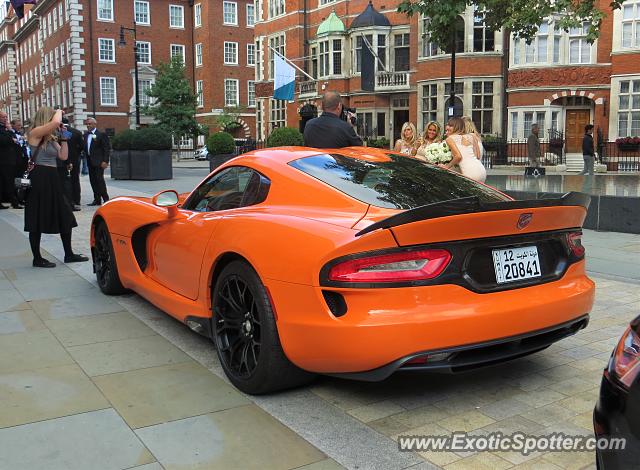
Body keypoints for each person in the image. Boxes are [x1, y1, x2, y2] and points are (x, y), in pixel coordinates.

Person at [25, 107, 88, 268]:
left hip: (53, 177)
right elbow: (56, 121)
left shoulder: (50, 138)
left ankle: (69, 254)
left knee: (65, 214)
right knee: (37, 216)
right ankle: (37, 258)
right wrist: (59, 111)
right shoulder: (35, 133)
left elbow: (63, 156)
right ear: (47, 118)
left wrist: (64, 138)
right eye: (53, 117)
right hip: (40, 177)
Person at [442, 117, 486, 183]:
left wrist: (446, 166)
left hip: (469, 172)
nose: (447, 127)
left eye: (450, 126)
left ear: (457, 127)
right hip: (481, 170)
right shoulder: (471, 136)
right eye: (447, 125)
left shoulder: (450, 139)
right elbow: (478, 156)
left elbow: (458, 157)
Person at [84, 117, 110, 205]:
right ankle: (97, 199)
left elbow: (106, 148)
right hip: (90, 162)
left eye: (89, 124)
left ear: (95, 124)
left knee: (99, 180)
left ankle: (106, 199)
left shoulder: (101, 134)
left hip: (99, 162)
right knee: (93, 181)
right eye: (87, 124)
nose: (88, 125)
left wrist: (105, 161)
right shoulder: (86, 135)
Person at [0, 112, 22, 209]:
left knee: (8, 181)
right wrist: (9, 131)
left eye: (6, 117)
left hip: (10, 159)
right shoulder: (3, 129)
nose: (6, 119)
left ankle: (14, 201)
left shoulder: (6, 128)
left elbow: (14, 139)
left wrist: (10, 134)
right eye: (3, 117)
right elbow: (4, 141)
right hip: (4, 159)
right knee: (8, 181)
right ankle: (14, 202)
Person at [62, 118, 83, 210]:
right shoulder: (77, 132)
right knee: (75, 180)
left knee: (65, 181)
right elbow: (82, 146)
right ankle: (76, 200)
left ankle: (68, 200)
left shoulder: (60, 132)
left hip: (63, 160)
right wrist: (76, 153)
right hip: (75, 160)